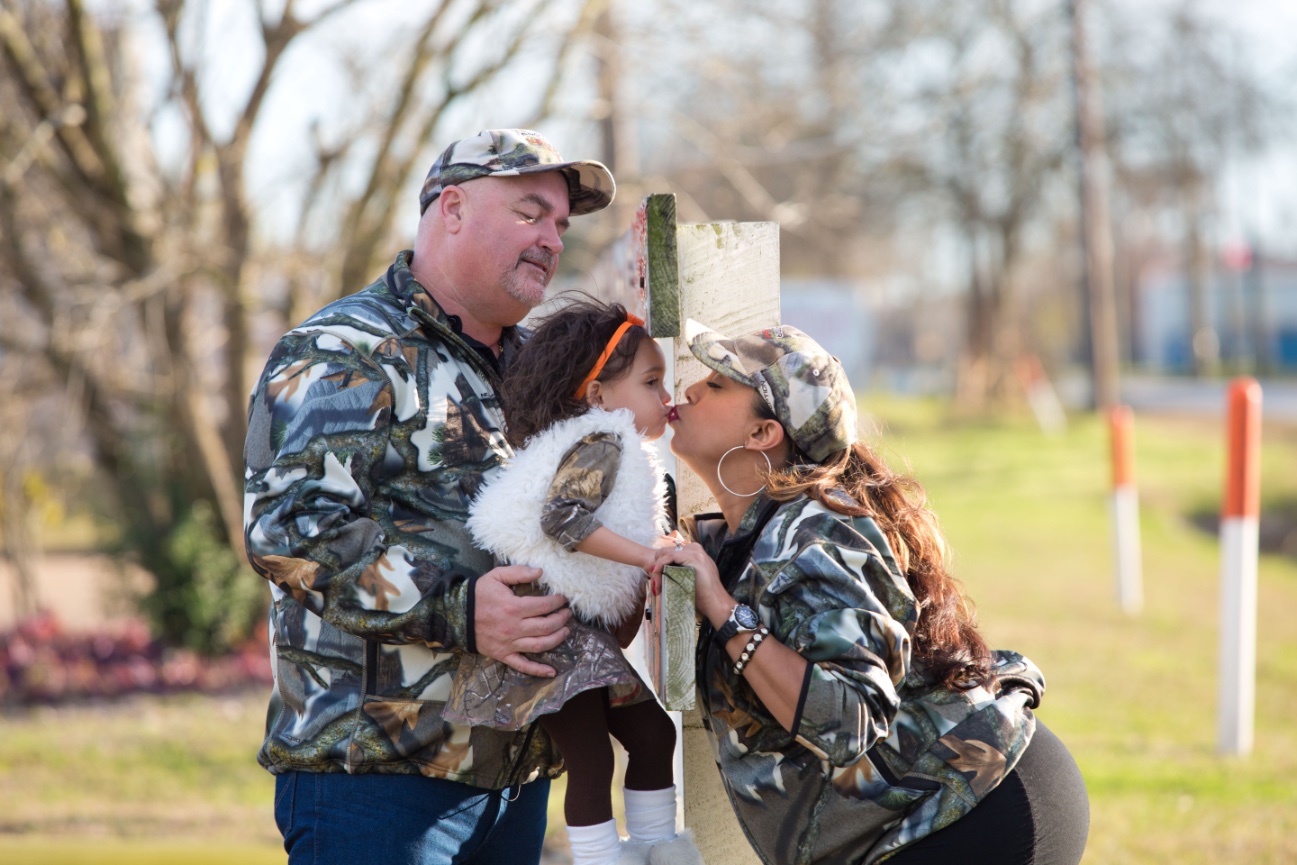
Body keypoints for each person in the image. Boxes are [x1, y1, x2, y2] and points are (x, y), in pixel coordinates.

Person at [242, 129, 616, 865]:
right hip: (376, 780)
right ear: (451, 209)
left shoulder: (538, 372)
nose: (550, 239)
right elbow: (291, 532)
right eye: (529, 212)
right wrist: (460, 609)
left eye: (560, 226)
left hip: (513, 780)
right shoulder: (345, 348)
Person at [650, 321, 1090, 865]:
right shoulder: (750, 537)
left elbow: (849, 720)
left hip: (980, 810)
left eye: (716, 385)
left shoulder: (813, 536)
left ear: (763, 433)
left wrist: (723, 612)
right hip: (951, 807)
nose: (690, 390)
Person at [444, 298, 702, 865]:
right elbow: (562, 518)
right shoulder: (601, 441)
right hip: (552, 630)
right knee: (592, 758)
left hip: (577, 627)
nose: (666, 398)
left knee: (652, 736)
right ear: (598, 396)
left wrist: (650, 549)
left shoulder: (614, 445)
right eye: (652, 383)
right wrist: (645, 557)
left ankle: (658, 848)